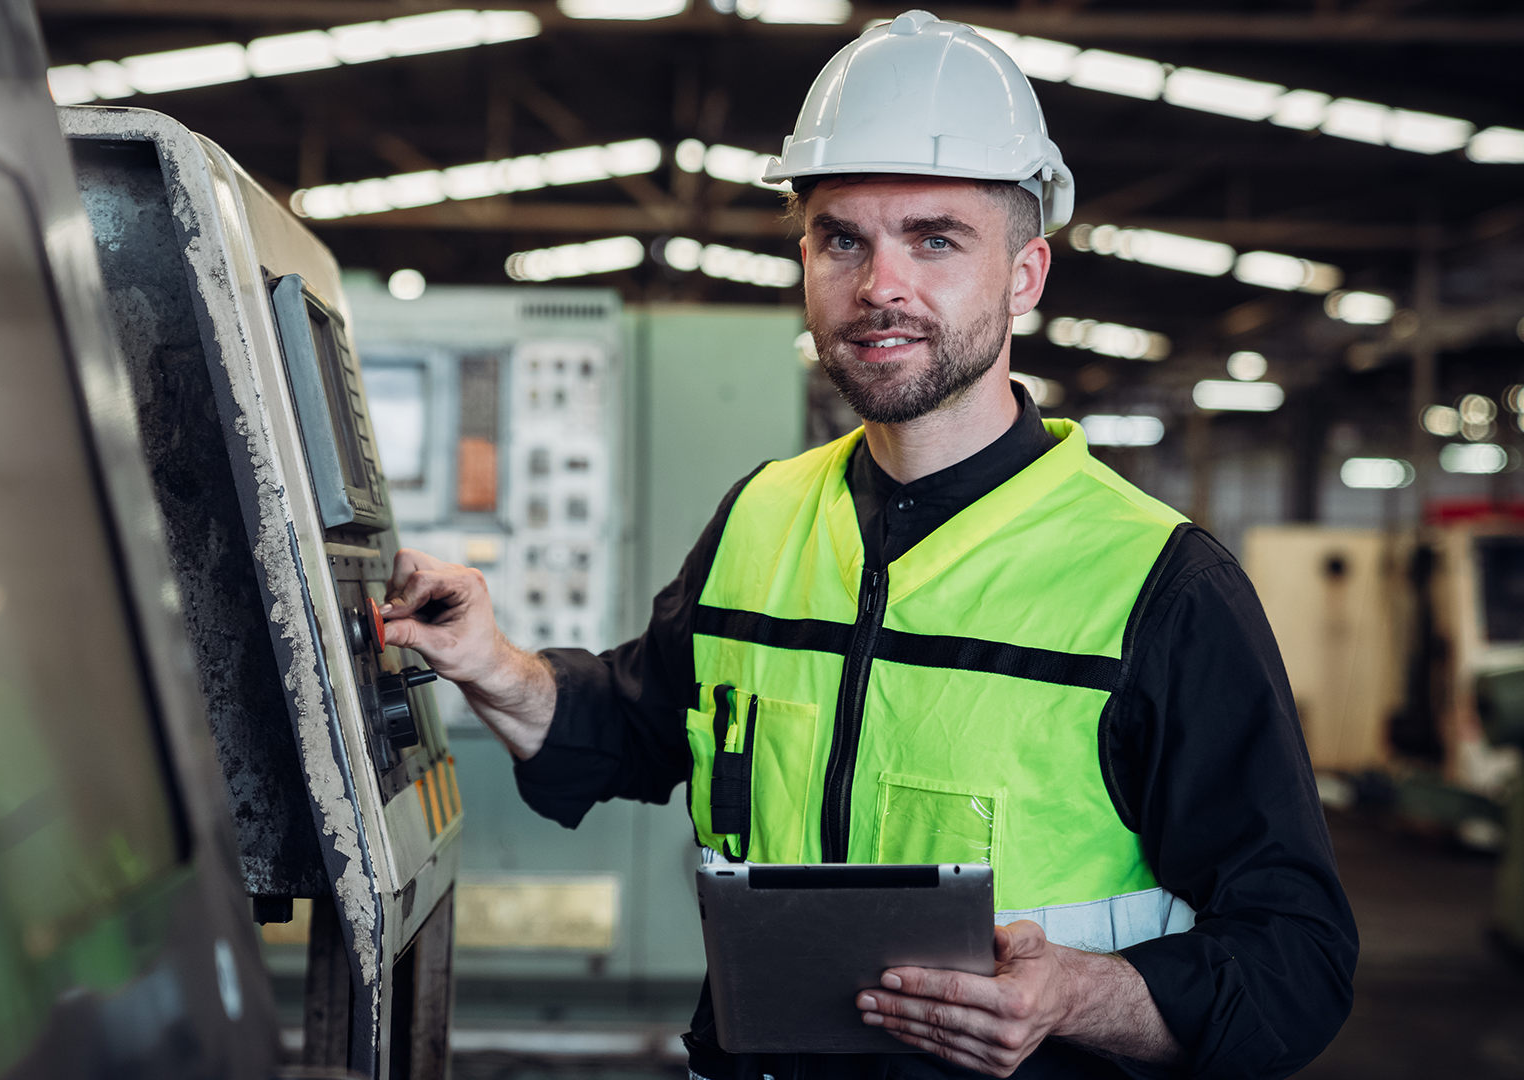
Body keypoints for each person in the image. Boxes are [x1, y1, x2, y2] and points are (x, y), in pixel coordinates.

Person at [383, 12, 1356, 1078]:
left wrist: (1078, 994)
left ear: (1025, 275)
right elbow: (637, 724)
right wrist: (490, 663)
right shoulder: (764, 514)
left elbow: (1296, 960)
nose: (880, 285)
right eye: (842, 238)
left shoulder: (1159, 585)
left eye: (935, 239)